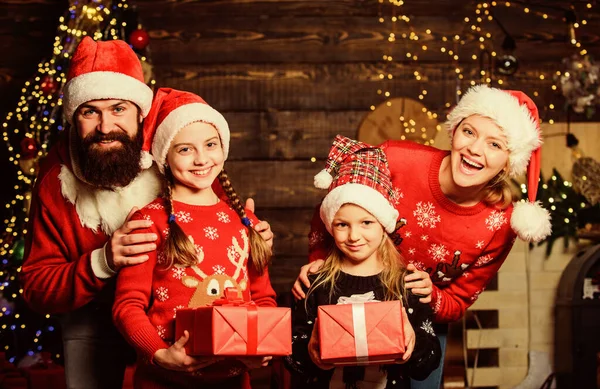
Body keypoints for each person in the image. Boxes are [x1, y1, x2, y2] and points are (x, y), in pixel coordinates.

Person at [20, 37, 272, 389]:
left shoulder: (174, 152)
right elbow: (35, 288)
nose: (106, 127)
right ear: (73, 119)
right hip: (95, 318)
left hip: (179, 319)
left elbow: (219, 235)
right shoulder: (55, 182)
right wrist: (101, 262)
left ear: (141, 112)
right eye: (89, 112)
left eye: (119, 109)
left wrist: (252, 236)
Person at [293, 85, 552, 388]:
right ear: (453, 131)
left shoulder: (499, 223)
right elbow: (336, 207)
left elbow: (459, 301)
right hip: (348, 301)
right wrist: (320, 266)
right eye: (469, 132)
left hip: (421, 321)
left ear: (509, 161)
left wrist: (431, 295)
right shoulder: (397, 159)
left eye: (495, 144)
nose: (475, 149)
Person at [112, 88, 277, 389]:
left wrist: (260, 346)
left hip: (234, 381)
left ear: (223, 148)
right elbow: (128, 305)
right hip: (165, 381)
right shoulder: (149, 221)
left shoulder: (246, 223)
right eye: (185, 149)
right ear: (165, 157)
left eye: (210, 144)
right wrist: (159, 353)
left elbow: (263, 298)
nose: (201, 159)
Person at [285, 135, 441, 389]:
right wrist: (310, 352)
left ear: (383, 225)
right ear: (330, 227)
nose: (354, 236)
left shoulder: (407, 284)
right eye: (342, 225)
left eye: (366, 222)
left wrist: (413, 344)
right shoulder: (315, 283)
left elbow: (427, 364)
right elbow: (291, 355)